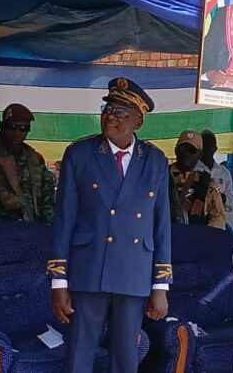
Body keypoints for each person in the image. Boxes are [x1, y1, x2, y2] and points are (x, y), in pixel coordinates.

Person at [48, 77, 171, 372]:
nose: (110, 117)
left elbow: (161, 225)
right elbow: (64, 220)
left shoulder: (155, 161)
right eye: (107, 109)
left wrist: (161, 285)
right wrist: (59, 282)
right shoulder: (80, 154)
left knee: (126, 357)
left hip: (133, 272)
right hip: (89, 269)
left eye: (120, 112)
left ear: (138, 121)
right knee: (79, 354)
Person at [0, 103, 55, 223]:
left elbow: (47, 203)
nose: (17, 133)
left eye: (24, 128)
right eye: (12, 128)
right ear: (2, 126)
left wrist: (48, 227)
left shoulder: (34, 159)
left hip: (29, 227)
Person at [169, 130, 225, 229]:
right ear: (176, 150)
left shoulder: (207, 181)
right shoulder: (162, 176)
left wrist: (205, 234)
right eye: (183, 149)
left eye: (192, 151)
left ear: (200, 154)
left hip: (197, 235)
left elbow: (218, 215)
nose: (187, 154)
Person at [198, 130, 233, 213]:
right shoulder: (193, 169)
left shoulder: (224, 173)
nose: (206, 148)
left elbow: (231, 204)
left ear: (215, 149)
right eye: (204, 144)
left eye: (209, 145)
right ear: (199, 148)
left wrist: (221, 198)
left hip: (217, 216)